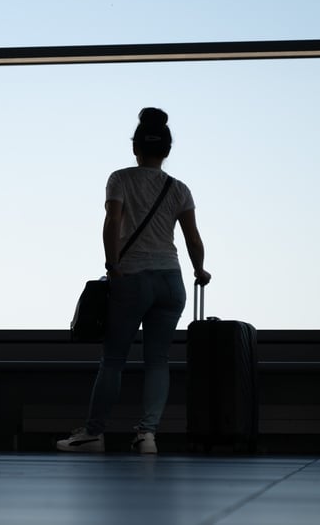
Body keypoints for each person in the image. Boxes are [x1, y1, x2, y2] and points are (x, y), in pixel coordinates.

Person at [57, 107, 211, 455]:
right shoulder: (179, 189)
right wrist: (200, 269)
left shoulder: (120, 179)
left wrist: (113, 265)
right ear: (167, 151)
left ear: (135, 149)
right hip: (171, 282)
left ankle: (94, 434)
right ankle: (147, 435)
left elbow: (112, 223)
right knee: (158, 361)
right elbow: (192, 238)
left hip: (132, 279)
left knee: (113, 360)